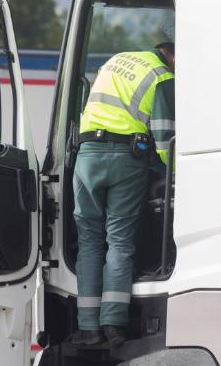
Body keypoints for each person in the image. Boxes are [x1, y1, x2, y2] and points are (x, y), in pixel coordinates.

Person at [71, 23, 175, 347]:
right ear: (173, 55)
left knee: (89, 240)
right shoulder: (162, 77)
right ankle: (114, 325)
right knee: (119, 242)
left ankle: (87, 327)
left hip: (87, 156)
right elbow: (164, 139)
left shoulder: (115, 61)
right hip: (125, 159)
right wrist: (171, 170)